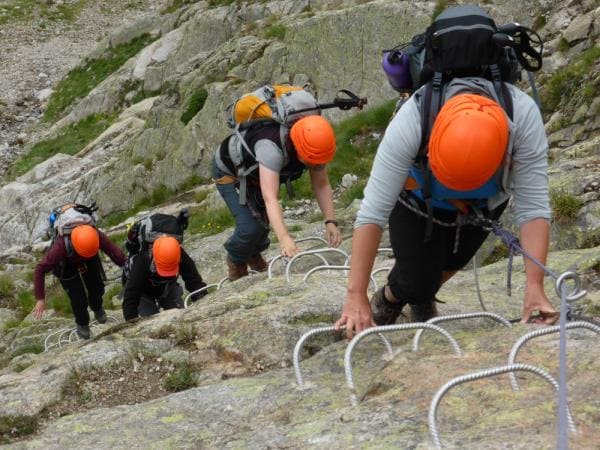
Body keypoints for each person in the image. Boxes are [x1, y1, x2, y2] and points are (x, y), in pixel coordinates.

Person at [335, 81, 557, 340]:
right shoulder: (412, 119)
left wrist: (534, 287)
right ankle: (391, 298)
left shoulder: (523, 117)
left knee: (451, 264)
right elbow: (372, 213)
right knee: (416, 281)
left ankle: (423, 293)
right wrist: (355, 295)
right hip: (417, 199)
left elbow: (533, 207)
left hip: (485, 204)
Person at [213, 114, 342, 280]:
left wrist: (330, 221)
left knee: (263, 224)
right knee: (250, 227)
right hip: (231, 172)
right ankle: (236, 259)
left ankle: (253, 254)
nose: (316, 165)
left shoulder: (315, 145)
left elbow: (321, 184)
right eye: (313, 161)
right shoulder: (270, 148)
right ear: (299, 148)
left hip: (256, 175)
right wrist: (285, 239)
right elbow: (270, 198)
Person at [33, 224, 126, 339]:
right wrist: (40, 299)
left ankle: (97, 307)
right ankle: (82, 323)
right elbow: (40, 269)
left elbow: (113, 251)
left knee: (97, 286)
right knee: (78, 299)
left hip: (90, 256)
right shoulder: (60, 247)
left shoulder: (94, 235)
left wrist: (126, 266)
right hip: (66, 265)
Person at [122, 235, 207, 321]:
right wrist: (131, 325)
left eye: (171, 269)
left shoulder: (178, 254)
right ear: (154, 257)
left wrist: (203, 304)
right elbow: (131, 297)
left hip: (167, 286)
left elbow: (194, 281)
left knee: (180, 317)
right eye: (164, 268)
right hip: (142, 293)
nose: (166, 272)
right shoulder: (141, 262)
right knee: (151, 321)